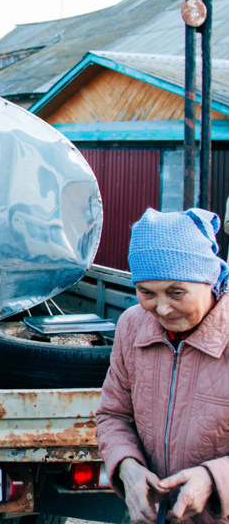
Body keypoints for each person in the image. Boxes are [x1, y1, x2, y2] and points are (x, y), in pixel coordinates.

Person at [96, 208, 229, 524]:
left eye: (176, 292)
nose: (163, 308)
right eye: (146, 292)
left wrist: (213, 478)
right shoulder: (132, 326)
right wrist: (127, 466)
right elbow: (113, 415)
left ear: (209, 280)